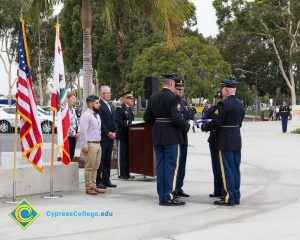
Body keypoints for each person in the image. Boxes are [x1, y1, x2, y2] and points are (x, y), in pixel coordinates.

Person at [144, 73, 190, 206]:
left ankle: (162, 196)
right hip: (171, 136)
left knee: (160, 166)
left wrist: (159, 123)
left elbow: (148, 118)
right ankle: (169, 196)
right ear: (171, 84)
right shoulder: (174, 97)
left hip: (158, 135)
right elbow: (176, 117)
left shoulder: (154, 97)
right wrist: (186, 125)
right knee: (171, 167)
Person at [201, 80, 245, 206]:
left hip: (224, 140)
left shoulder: (223, 104)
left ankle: (228, 197)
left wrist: (204, 127)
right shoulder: (240, 105)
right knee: (235, 169)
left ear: (226, 90)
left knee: (227, 170)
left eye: (222, 89)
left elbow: (216, 122)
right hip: (236, 139)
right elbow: (240, 123)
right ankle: (235, 196)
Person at [79, 95, 105, 195]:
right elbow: (83, 131)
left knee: (96, 166)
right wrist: (84, 145)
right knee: (89, 166)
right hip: (90, 144)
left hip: (97, 144)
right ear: (90, 104)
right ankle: (88, 187)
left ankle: (94, 186)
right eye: (97, 103)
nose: (99, 105)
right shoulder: (86, 115)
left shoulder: (96, 115)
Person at [203, 91, 223, 199]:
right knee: (215, 166)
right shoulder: (213, 108)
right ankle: (217, 190)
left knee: (222, 166)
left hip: (221, 139)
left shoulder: (224, 108)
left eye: (220, 98)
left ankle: (223, 190)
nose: (219, 100)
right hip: (213, 139)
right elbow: (206, 117)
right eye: (217, 98)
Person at [96, 86, 117, 189]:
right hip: (103, 137)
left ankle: (106, 179)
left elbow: (114, 120)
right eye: (106, 93)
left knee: (107, 160)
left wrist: (114, 132)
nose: (108, 94)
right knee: (100, 159)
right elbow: (100, 122)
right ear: (101, 94)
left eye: (109, 93)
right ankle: (98, 181)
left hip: (111, 136)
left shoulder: (110, 105)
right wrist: (108, 133)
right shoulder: (99, 105)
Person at [173, 78, 190, 198]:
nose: (180, 91)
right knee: (175, 164)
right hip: (175, 135)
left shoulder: (184, 103)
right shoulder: (172, 101)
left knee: (182, 163)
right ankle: (173, 188)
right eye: (178, 89)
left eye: (182, 89)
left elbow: (190, 115)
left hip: (184, 135)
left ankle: (179, 187)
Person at [115, 91, 135, 179]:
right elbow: (118, 121)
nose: (132, 100)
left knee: (128, 155)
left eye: (132, 98)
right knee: (122, 155)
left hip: (129, 135)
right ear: (124, 99)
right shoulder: (119, 109)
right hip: (122, 135)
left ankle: (127, 173)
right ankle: (121, 173)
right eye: (129, 98)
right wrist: (129, 122)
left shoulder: (130, 109)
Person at [67, 92, 80, 160]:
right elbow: (67, 124)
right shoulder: (65, 110)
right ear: (68, 99)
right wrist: (74, 134)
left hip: (74, 136)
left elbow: (76, 122)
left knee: (72, 154)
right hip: (68, 136)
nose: (74, 100)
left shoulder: (73, 109)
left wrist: (78, 132)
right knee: (67, 155)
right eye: (73, 98)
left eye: (75, 98)